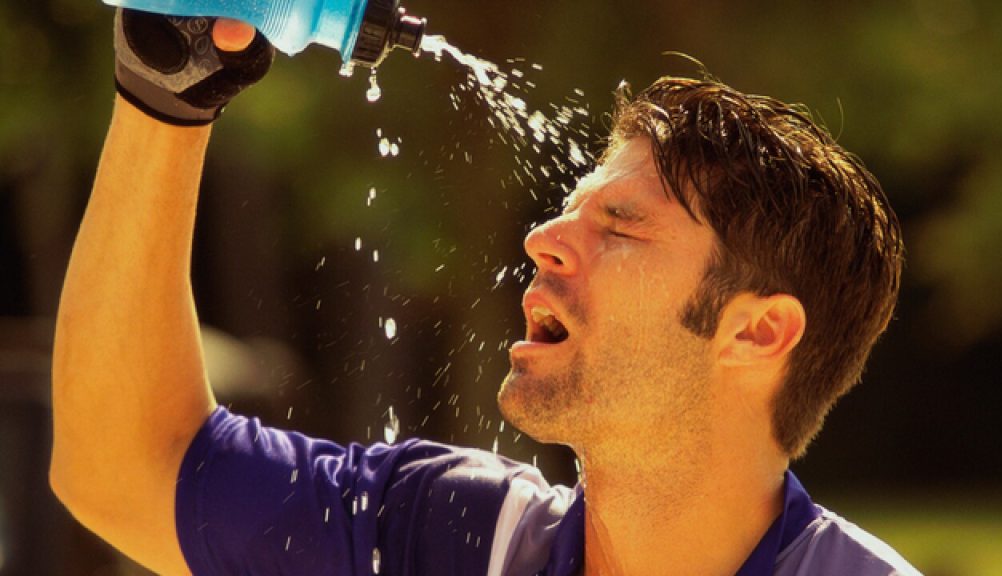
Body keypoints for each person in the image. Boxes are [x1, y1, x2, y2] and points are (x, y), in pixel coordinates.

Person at [50, 10, 920, 576]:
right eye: (569, 210)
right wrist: (165, 97)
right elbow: (128, 468)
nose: (543, 238)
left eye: (622, 226)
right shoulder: (453, 536)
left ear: (760, 332)